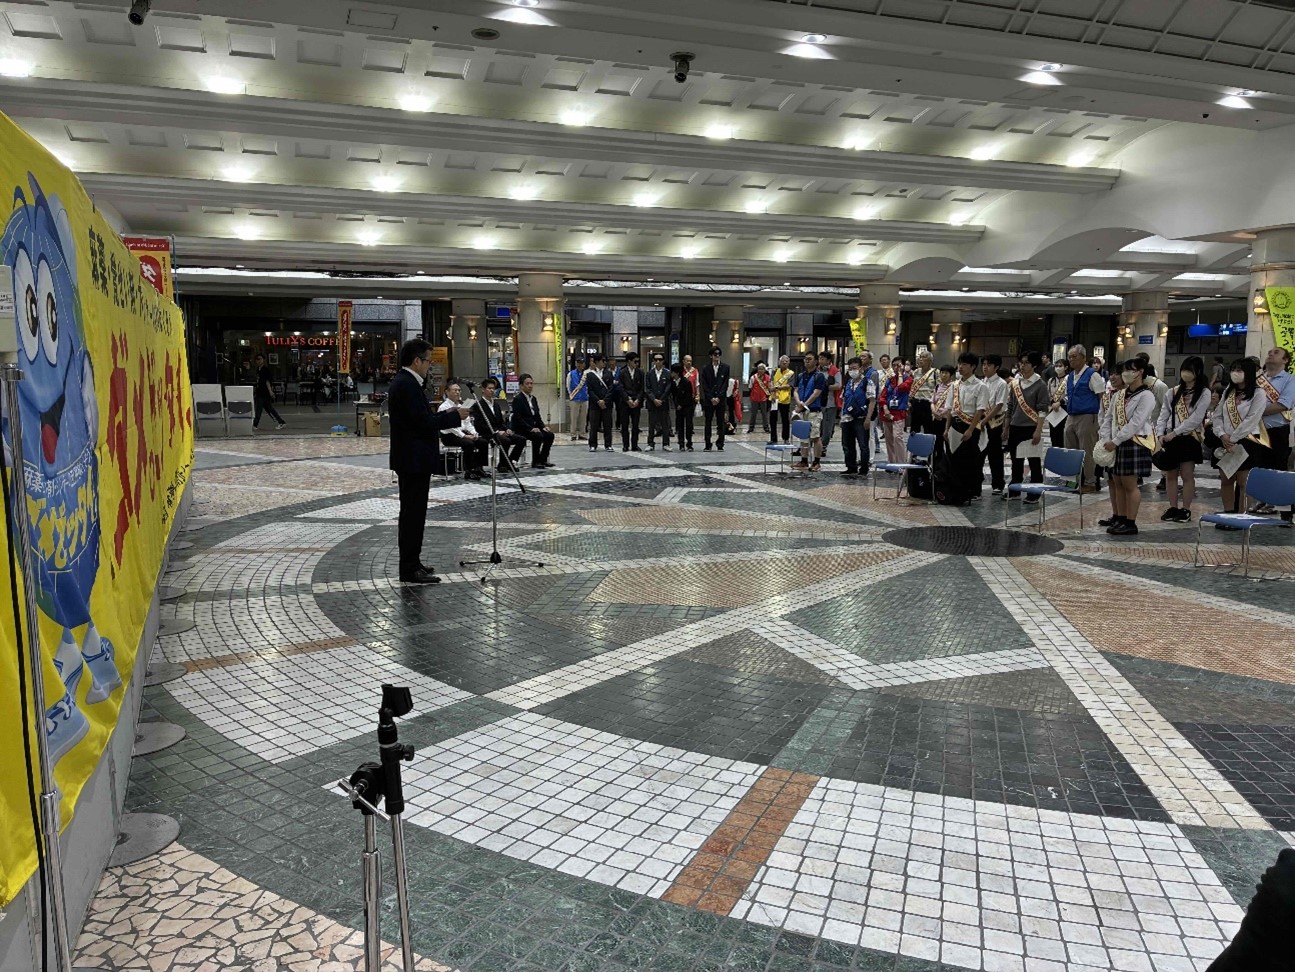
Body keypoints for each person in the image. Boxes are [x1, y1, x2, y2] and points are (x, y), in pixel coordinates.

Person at [389, 340, 470, 583]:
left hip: (414, 459)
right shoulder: (406, 384)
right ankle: (409, 568)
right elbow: (423, 423)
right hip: (412, 459)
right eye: (428, 361)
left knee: (415, 513)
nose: (429, 365)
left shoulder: (408, 383)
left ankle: (413, 562)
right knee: (412, 515)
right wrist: (454, 417)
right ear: (417, 361)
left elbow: (422, 417)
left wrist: (448, 414)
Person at [1098, 359, 1156, 536]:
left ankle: (1131, 522)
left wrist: (1116, 441)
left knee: (1130, 484)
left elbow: (1136, 423)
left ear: (1140, 372)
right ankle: (1121, 518)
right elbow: (1108, 418)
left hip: (1134, 442)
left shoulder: (1146, 395)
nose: (1126, 374)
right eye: (1124, 370)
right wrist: (1106, 438)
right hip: (1116, 442)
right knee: (1117, 482)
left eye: (1130, 370)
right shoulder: (1119, 394)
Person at [1211, 356, 1269, 528]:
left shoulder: (1258, 393)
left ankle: (1241, 517)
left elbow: (1252, 419)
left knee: (1243, 482)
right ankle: (1228, 514)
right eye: (1233, 369)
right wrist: (1222, 435)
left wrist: (1233, 438)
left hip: (1247, 440)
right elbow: (1217, 415)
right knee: (1226, 480)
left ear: (1248, 372)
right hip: (1225, 440)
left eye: (1239, 370)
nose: (1235, 373)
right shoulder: (1228, 391)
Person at [1154, 355, 1210, 523]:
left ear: (1198, 372)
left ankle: (1185, 509)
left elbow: (1196, 419)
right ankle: (1173, 507)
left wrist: (1175, 432)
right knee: (1170, 474)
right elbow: (1163, 415)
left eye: (1190, 370)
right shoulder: (1172, 392)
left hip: (1189, 437)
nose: (1186, 373)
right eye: (1184, 369)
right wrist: (1160, 434)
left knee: (1187, 474)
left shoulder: (1204, 393)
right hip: (1170, 438)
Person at [1252, 346, 1295, 515]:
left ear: (1285, 360)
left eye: (1276, 353)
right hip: (1256, 429)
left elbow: (1284, 404)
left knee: (1277, 467)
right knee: (1259, 467)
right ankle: (1261, 500)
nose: (1270, 354)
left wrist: (1255, 411)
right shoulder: (1258, 380)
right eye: (1269, 352)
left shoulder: (1289, 380)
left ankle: (1277, 503)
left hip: (1277, 430)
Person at [941, 351, 988, 502]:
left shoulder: (980, 386)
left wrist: (970, 430)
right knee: (953, 459)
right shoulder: (954, 385)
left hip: (970, 426)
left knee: (971, 460)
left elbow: (980, 410)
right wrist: (946, 429)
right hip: (954, 426)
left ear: (973, 367)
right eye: (959, 363)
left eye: (964, 364)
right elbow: (950, 409)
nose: (960, 367)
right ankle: (957, 491)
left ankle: (973, 491)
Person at [1004, 351, 1050, 504]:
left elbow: (1043, 409)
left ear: (1034, 365)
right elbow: (1010, 406)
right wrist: (1006, 427)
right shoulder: (1015, 383)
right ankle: (1015, 490)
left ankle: (1035, 493)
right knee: (1016, 461)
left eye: (1026, 363)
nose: (1022, 366)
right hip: (1015, 426)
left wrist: (1038, 430)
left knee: (1033, 462)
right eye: (1021, 363)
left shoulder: (1040, 385)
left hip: (1031, 427)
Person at [1063, 345, 1105, 493]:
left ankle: (1090, 482)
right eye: (1069, 357)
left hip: (1088, 416)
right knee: (1070, 449)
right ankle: (1073, 480)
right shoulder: (1070, 376)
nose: (1071, 360)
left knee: (1087, 450)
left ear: (1083, 358)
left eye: (1074, 357)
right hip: (1071, 415)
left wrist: (1101, 419)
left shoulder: (1092, 374)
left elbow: (1102, 397)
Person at [471, 376, 528, 473]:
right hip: (487, 432)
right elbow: (479, 425)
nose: (492, 390)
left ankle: (508, 462)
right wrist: (497, 432)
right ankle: (502, 465)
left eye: (493, 388)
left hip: (499, 431)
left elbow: (501, 422)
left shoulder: (496, 404)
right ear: (483, 390)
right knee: (505, 440)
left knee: (521, 439)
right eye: (489, 388)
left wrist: (506, 429)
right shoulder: (478, 405)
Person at [438, 381, 489, 481]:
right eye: (455, 390)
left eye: (459, 390)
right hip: (449, 435)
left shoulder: (462, 405)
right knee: (469, 444)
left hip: (462, 433)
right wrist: (464, 436)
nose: (457, 392)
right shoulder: (444, 407)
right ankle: (469, 470)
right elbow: (450, 427)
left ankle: (479, 468)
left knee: (483, 442)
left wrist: (474, 433)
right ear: (447, 392)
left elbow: (467, 423)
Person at [839, 355, 876, 477]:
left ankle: (864, 469)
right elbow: (844, 400)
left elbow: (872, 401)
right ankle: (851, 467)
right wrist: (841, 416)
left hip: (861, 418)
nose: (852, 371)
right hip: (847, 417)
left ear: (860, 369)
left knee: (863, 445)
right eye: (850, 369)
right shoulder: (848, 383)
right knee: (847, 444)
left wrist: (868, 418)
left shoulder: (867, 382)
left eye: (854, 368)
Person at [791, 352, 828, 472]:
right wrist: (798, 403)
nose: (807, 361)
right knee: (803, 436)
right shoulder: (801, 375)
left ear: (816, 361)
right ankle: (804, 460)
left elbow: (816, 393)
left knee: (815, 436)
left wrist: (804, 405)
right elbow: (795, 391)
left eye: (810, 359)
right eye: (805, 359)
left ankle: (817, 462)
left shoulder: (819, 376)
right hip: (802, 410)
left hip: (813, 411)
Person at [510, 373, 556, 469]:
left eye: (531, 383)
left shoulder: (533, 399)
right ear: (521, 386)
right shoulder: (518, 399)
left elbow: (537, 416)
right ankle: (535, 461)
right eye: (527, 384)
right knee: (537, 435)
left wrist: (543, 426)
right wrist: (530, 429)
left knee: (549, 435)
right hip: (522, 428)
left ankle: (543, 459)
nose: (530, 386)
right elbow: (518, 418)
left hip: (534, 427)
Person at [980, 354, 1010, 495]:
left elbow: (999, 405)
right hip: (981, 420)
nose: (985, 367)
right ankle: (976, 482)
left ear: (996, 367)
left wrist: (985, 420)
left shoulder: (1001, 384)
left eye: (989, 365)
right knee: (979, 453)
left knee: (995, 455)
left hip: (994, 422)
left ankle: (998, 484)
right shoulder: (981, 382)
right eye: (984, 364)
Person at [880, 361, 912, 463]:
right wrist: (885, 408)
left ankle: (901, 464)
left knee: (898, 437)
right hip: (887, 412)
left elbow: (901, 387)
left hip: (899, 413)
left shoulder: (908, 378)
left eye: (898, 365)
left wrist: (901, 374)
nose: (896, 367)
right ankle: (892, 463)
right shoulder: (890, 379)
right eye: (894, 365)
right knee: (889, 439)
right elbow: (883, 396)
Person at [699, 346, 730, 451]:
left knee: (721, 422)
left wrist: (718, 397)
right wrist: (711, 397)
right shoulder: (706, 368)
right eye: (715, 354)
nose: (717, 356)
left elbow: (725, 384)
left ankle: (720, 443)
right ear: (711, 356)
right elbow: (704, 385)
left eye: (718, 354)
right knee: (708, 422)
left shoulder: (725, 367)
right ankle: (708, 444)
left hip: (721, 400)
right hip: (709, 400)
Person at [585, 353, 615, 452]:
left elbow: (611, 389)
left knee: (607, 425)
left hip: (607, 404)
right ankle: (593, 444)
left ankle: (608, 444)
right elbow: (590, 390)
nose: (605, 363)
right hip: (595, 404)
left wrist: (604, 400)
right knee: (594, 425)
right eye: (603, 361)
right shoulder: (590, 374)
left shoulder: (609, 373)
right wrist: (598, 400)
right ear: (597, 362)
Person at [645, 353, 673, 451]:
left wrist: (661, 399)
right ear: (653, 361)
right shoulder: (649, 373)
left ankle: (666, 443)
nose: (658, 361)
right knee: (651, 424)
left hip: (663, 402)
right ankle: (650, 443)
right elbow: (647, 388)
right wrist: (654, 399)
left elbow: (668, 388)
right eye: (656, 359)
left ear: (663, 361)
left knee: (665, 424)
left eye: (660, 360)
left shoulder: (667, 373)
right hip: (652, 403)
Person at [251, 353, 286, 430]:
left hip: (264, 392)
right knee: (269, 408)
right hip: (260, 391)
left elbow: (267, 381)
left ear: (263, 360)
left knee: (259, 409)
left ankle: (255, 425)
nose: (258, 361)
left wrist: (270, 391)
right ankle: (281, 422)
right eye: (257, 359)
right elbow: (258, 381)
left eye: (260, 359)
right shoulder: (258, 369)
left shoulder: (265, 369)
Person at [617, 352, 644, 451]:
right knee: (624, 424)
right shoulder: (622, 372)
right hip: (625, 402)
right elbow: (621, 387)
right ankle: (625, 444)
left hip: (636, 400)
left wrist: (638, 399)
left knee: (635, 425)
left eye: (637, 361)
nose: (636, 363)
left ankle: (634, 444)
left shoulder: (640, 372)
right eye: (635, 361)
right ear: (629, 361)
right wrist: (627, 399)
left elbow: (642, 388)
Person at [908, 351, 938, 436]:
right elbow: (911, 387)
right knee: (914, 430)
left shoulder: (935, 372)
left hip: (928, 404)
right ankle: (914, 444)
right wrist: (909, 401)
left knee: (929, 429)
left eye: (924, 357)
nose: (920, 359)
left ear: (930, 360)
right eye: (920, 357)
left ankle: (930, 445)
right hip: (916, 403)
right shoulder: (915, 372)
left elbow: (938, 389)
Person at [817, 351, 841, 453]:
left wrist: (825, 387)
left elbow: (838, 385)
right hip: (818, 403)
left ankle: (823, 446)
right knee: (818, 426)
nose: (820, 361)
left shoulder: (835, 371)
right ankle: (818, 445)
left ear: (828, 360)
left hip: (830, 403)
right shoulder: (817, 370)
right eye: (819, 358)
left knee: (827, 427)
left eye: (822, 359)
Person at [670, 362, 695, 450]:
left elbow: (689, 396)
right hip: (678, 407)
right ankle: (681, 443)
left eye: (672, 372)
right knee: (679, 425)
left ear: (677, 372)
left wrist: (682, 404)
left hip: (688, 407)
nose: (671, 373)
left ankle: (689, 444)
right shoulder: (673, 383)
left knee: (688, 425)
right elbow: (673, 396)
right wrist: (677, 405)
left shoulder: (686, 382)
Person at [770, 355, 794, 444]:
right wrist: (772, 393)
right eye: (783, 361)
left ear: (789, 363)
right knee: (773, 419)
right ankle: (773, 439)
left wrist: (777, 387)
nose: (784, 362)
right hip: (774, 398)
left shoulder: (791, 373)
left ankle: (786, 438)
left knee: (785, 420)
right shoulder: (774, 371)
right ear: (779, 362)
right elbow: (771, 382)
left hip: (785, 399)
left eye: (786, 361)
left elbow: (789, 385)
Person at [1047, 358, 1068, 448]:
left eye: (1060, 366)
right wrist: (1052, 403)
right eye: (1056, 366)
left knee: (1063, 434)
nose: (1058, 368)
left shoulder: (1068, 379)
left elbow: (1069, 395)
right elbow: (1048, 394)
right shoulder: (1051, 380)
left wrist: (1060, 402)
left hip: (1065, 409)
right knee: (1053, 434)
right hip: (1053, 409)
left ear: (1066, 367)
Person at [931, 364, 955, 442]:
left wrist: (941, 413)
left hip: (947, 419)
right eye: (942, 372)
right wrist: (934, 411)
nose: (943, 375)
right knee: (937, 442)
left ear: (951, 375)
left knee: (948, 442)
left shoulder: (954, 387)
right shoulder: (937, 386)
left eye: (946, 373)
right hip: (936, 418)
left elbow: (954, 404)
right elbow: (932, 402)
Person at [567, 356, 589, 441]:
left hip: (584, 398)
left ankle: (582, 433)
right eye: (578, 363)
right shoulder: (571, 374)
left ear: (584, 364)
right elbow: (568, 385)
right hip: (574, 398)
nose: (580, 365)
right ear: (576, 364)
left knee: (583, 418)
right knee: (574, 417)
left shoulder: (586, 374)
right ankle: (573, 434)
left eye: (581, 363)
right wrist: (571, 395)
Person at [747, 362, 772, 434]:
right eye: (759, 369)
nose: (761, 370)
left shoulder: (768, 377)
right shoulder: (753, 377)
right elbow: (750, 387)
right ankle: (751, 428)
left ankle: (766, 427)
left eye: (762, 369)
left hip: (763, 398)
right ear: (757, 370)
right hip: (754, 398)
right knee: (753, 413)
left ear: (765, 370)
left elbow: (769, 387)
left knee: (764, 413)